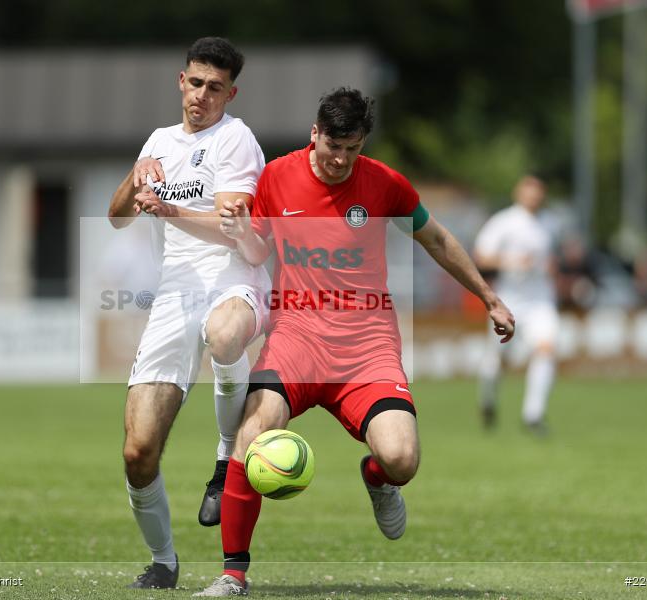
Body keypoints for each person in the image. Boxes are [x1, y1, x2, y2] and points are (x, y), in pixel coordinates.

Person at [193, 88, 515, 597]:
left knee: (403, 458)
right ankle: (233, 575)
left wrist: (489, 297)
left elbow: (436, 239)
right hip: (296, 338)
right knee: (250, 434)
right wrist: (238, 232)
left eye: (353, 148)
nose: (341, 159)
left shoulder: (385, 184)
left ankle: (377, 478)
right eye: (333, 146)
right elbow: (257, 250)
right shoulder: (276, 176)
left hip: (367, 347)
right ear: (314, 134)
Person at [106, 37, 269, 589]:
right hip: (174, 292)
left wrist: (168, 206)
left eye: (215, 87)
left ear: (231, 93)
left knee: (225, 336)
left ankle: (226, 461)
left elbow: (231, 225)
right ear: (182, 81)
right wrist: (137, 176)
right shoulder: (158, 140)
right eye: (195, 83)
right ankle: (163, 563)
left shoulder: (236, 139)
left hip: (231, 276)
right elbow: (116, 217)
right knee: (138, 451)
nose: (202, 96)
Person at [474, 175, 558, 434]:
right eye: (529, 191)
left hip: (541, 300)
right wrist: (512, 261)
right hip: (509, 299)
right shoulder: (504, 222)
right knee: (496, 359)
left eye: (539, 191)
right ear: (518, 192)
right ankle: (487, 400)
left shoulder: (549, 223)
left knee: (546, 349)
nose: (534, 197)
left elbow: (551, 259)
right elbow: (481, 256)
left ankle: (533, 414)